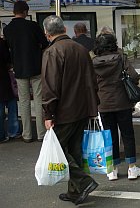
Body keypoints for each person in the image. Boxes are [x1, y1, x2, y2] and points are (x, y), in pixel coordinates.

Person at [41, 15, 99, 205]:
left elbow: (50, 87)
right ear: (65, 30)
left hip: (64, 111)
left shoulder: (52, 52)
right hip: (82, 107)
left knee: (59, 149)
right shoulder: (81, 49)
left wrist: (48, 113)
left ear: (47, 34)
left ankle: (83, 183)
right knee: (74, 150)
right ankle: (75, 191)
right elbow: (92, 80)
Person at [92, 33, 140, 181]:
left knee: (109, 137)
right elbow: (134, 75)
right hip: (123, 102)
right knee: (127, 134)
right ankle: (132, 169)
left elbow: (90, 83)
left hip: (103, 103)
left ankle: (112, 170)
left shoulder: (93, 62)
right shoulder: (120, 58)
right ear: (113, 44)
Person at [3, 0, 48, 143]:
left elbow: (8, 47)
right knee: (39, 100)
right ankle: (41, 133)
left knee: (23, 102)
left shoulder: (8, 29)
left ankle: (27, 134)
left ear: (13, 12)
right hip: (36, 67)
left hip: (19, 69)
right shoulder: (33, 26)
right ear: (25, 12)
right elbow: (45, 43)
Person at [0, 37, 21, 143]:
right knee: (12, 104)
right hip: (4, 78)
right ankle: (14, 131)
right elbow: (8, 59)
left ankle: (1, 135)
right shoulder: (2, 43)